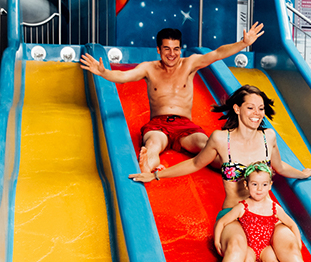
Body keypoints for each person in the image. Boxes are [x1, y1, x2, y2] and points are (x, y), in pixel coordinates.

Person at [129, 84, 311, 262]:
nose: (257, 113)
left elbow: (279, 166)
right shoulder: (221, 139)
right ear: (236, 108)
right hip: (235, 214)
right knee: (235, 247)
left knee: (290, 247)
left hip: (266, 214)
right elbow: (195, 164)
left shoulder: (268, 137)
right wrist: (156, 174)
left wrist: (301, 172)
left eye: (261, 108)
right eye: (251, 107)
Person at [80, 24, 264, 173]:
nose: (172, 54)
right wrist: (103, 72)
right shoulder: (149, 68)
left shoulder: (190, 64)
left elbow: (217, 54)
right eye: (166, 49)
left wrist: (242, 43)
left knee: (206, 146)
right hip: (158, 125)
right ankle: (148, 164)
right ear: (158, 49)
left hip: (185, 126)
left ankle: (238, 168)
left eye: (176, 49)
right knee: (153, 144)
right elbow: (123, 77)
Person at [213, 162, 305, 262]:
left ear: (270, 186)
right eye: (254, 184)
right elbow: (222, 222)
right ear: (246, 185)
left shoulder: (274, 207)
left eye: (264, 184)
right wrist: (217, 242)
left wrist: (298, 243)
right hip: (249, 246)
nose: (259, 189)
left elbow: (292, 224)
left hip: (265, 247)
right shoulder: (243, 207)